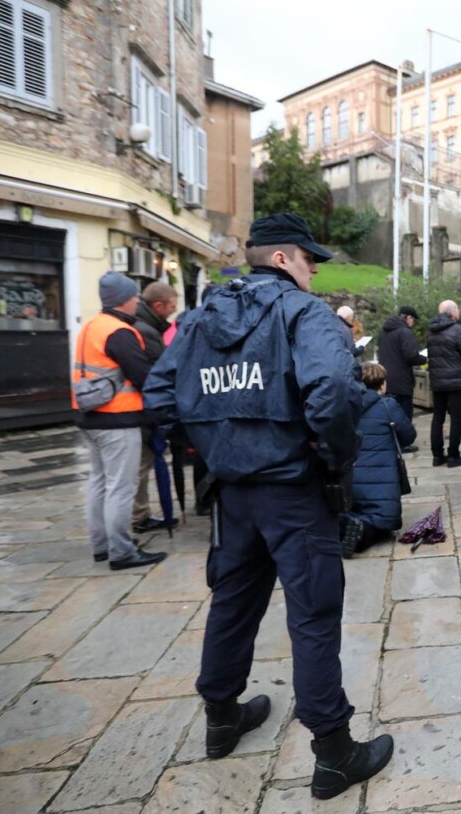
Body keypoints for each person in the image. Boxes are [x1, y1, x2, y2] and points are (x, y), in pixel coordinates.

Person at [143, 213, 392, 800]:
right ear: (281, 259)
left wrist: (217, 445)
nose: (314, 271)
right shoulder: (304, 314)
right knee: (312, 612)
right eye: (309, 260)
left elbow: (159, 396)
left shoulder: (199, 319)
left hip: (233, 495)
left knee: (232, 602)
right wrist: (332, 456)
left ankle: (221, 717)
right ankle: (333, 751)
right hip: (292, 491)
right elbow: (330, 390)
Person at [73, 272, 168, 571]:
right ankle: (122, 551)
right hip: (118, 419)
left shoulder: (90, 327)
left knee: (99, 483)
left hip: (89, 417)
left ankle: (102, 546)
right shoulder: (119, 331)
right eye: (134, 297)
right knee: (120, 487)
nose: (137, 301)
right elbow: (142, 375)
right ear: (126, 300)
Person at [345, 362, 417, 556]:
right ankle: (361, 533)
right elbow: (408, 436)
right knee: (385, 520)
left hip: (350, 479)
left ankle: (348, 525)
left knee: (351, 512)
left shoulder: (345, 406)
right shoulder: (388, 406)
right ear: (382, 384)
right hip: (383, 482)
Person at [132, 281, 179, 535]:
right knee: (141, 466)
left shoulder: (145, 326)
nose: (174, 311)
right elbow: (156, 374)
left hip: (135, 409)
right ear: (158, 306)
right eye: (171, 306)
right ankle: (138, 515)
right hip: (140, 411)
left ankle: (139, 513)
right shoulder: (147, 331)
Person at [426, 300, 461, 468]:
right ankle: (454, 455)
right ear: (453, 312)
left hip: (438, 381)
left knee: (437, 418)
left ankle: (437, 455)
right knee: (456, 419)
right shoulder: (458, 331)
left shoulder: (431, 332)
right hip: (456, 381)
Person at [377, 305, 426, 425]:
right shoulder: (405, 332)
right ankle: (405, 442)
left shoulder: (384, 332)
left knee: (390, 414)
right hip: (402, 381)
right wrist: (424, 359)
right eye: (413, 320)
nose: (413, 323)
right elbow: (411, 356)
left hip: (385, 379)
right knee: (404, 414)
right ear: (408, 317)